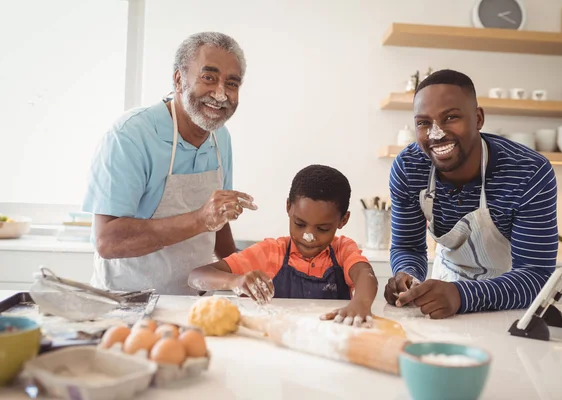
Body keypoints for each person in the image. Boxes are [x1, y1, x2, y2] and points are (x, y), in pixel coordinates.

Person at [82, 32, 257, 295]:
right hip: (127, 302)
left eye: (231, 83)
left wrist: (243, 271)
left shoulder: (220, 137)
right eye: (208, 77)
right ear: (179, 79)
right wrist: (200, 219)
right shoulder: (131, 135)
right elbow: (108, 241)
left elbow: (218, 222)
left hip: (193, 302)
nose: (221, 94)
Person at [384, 69, 558, 318]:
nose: (436, 133)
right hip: (443, 298)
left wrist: (462, 296)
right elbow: (408, 246)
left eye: (450, 117)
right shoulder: (409, 168)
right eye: (423, 123)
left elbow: (535, 276)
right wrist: (407, 276)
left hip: (511, 309)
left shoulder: (528, 172)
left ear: (478, 118)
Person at [189, 165, 378, 326]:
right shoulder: (271, 253)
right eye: (300, 224)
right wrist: (235, 281)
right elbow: (197, 276)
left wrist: (361, 302)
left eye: (322, 228)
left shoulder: (342, 251)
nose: (308, 236)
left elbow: (364, 274)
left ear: (343, 220)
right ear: (288, 208)